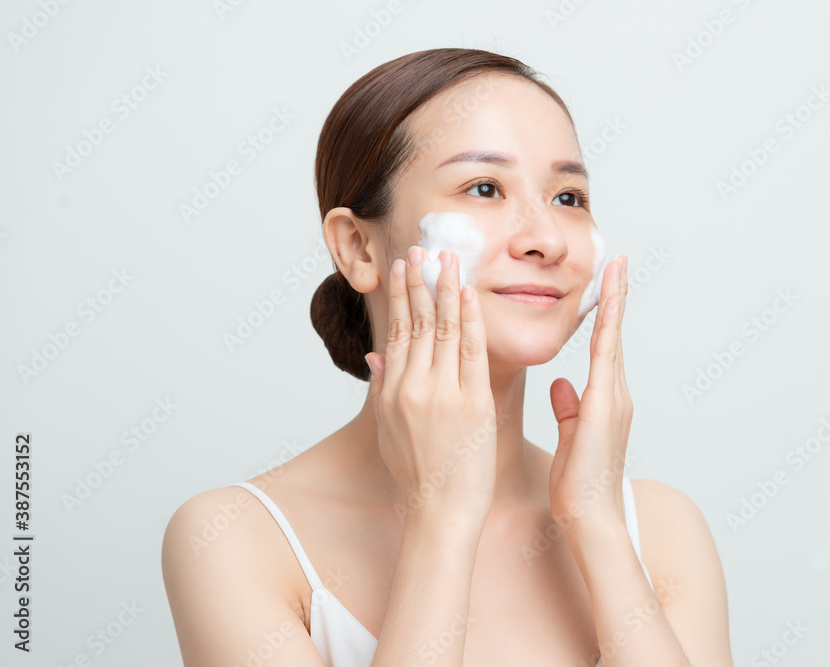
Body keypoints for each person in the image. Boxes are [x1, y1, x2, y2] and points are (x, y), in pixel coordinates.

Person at [162, 47, 734, 667]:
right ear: (357, 247)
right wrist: (442, 517)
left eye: (569, 197)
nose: (546, 238)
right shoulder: (233, 538)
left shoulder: (659, 528)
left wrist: (597, 525)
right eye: (485, 188)